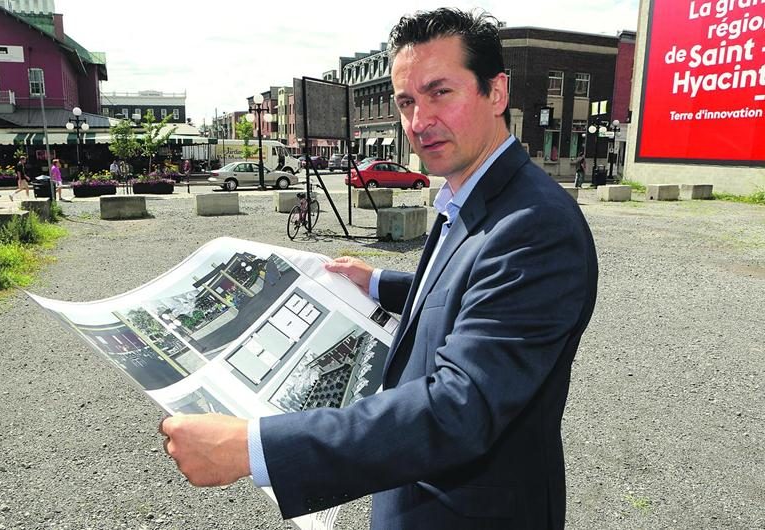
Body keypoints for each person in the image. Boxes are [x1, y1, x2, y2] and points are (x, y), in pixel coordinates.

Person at [159, 9, 598, 529]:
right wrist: (380, 283)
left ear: (496, 92)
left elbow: (459, 407)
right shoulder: (473, 193)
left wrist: (253, 448)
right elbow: (475, 292)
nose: (419, 121)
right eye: (407, 101)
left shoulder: (535, 225)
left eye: (440, 93)